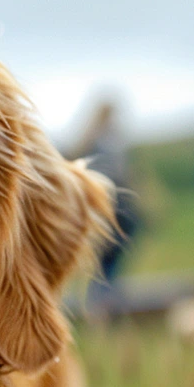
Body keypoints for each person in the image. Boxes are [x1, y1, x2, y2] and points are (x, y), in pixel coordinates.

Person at [71, 98, 141, 311]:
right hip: (108, 204)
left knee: (105, 256)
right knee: (107, 254)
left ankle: (102, 297)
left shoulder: (90, 142)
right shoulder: (103, 145)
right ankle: (102, 300)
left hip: (107, 205)